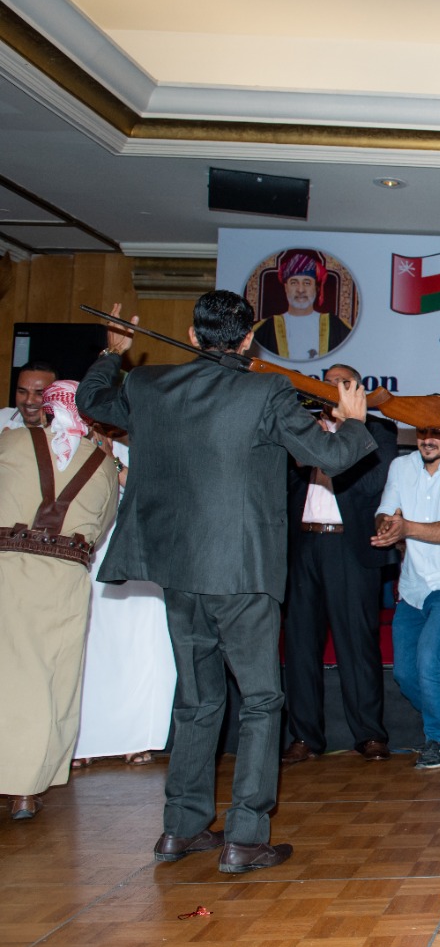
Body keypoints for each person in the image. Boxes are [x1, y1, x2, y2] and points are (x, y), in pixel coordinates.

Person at [78, 292, 375, 874]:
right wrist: (357, 419)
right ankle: (244, 837)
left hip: (178, 572)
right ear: (248, 339)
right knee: (261, 700)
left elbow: (91, 399)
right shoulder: (267, 391)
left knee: (196, 700)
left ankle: (181, 828)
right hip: (243, 573)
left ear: (193, 335)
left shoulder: (149, 385)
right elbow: (332, 455)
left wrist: (113, 353)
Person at [0, 381, 119, 819]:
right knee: (55, 678)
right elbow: (102, 526)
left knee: (13, 676)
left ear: (48, 409)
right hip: (68, 577)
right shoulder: (104, 465)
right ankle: (29, 789)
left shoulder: (12, 442)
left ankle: (15, 782)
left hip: (9, 570)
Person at [281, 363, 399, 766]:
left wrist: (342, 438)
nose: (332, 389)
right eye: (326, 383)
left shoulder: (378, 431)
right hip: (303, 544)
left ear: (357, 390)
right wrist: (308, 449)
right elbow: (282, 485)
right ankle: (304, 737)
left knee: (357, 643)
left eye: (341, 383)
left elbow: (371, 485)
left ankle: (369, 734)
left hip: (349, 546)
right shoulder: (300, 428)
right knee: (300, 645)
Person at [372, 407, 440, 771]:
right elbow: (385, 511)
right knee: (405, 672)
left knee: (430, 655)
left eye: (436, 431)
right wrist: (387, 526)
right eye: (422, 431)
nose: (428, 439)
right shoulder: (400, 467)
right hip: (414, 583)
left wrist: (405, 529)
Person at [74, 431, 176, 769]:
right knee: (91, 646)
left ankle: (135, 738)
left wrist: (113, 462)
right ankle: (83, 740)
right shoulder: (74, 438)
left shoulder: (153, 438)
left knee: (139, 646)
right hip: (92, 550)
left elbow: (158, 493)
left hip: (140, 550)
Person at [251, 249, 353, 361]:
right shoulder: (264, 329)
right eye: (294, 283)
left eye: (307, 283)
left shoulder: (337, 327)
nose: (300, 290)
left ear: (316, 288)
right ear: (286, 287)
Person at [3, 361, 56, 432]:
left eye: (40, 394)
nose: (29, 401)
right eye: (22, 392)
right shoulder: (2, 419)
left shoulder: (67, 431)